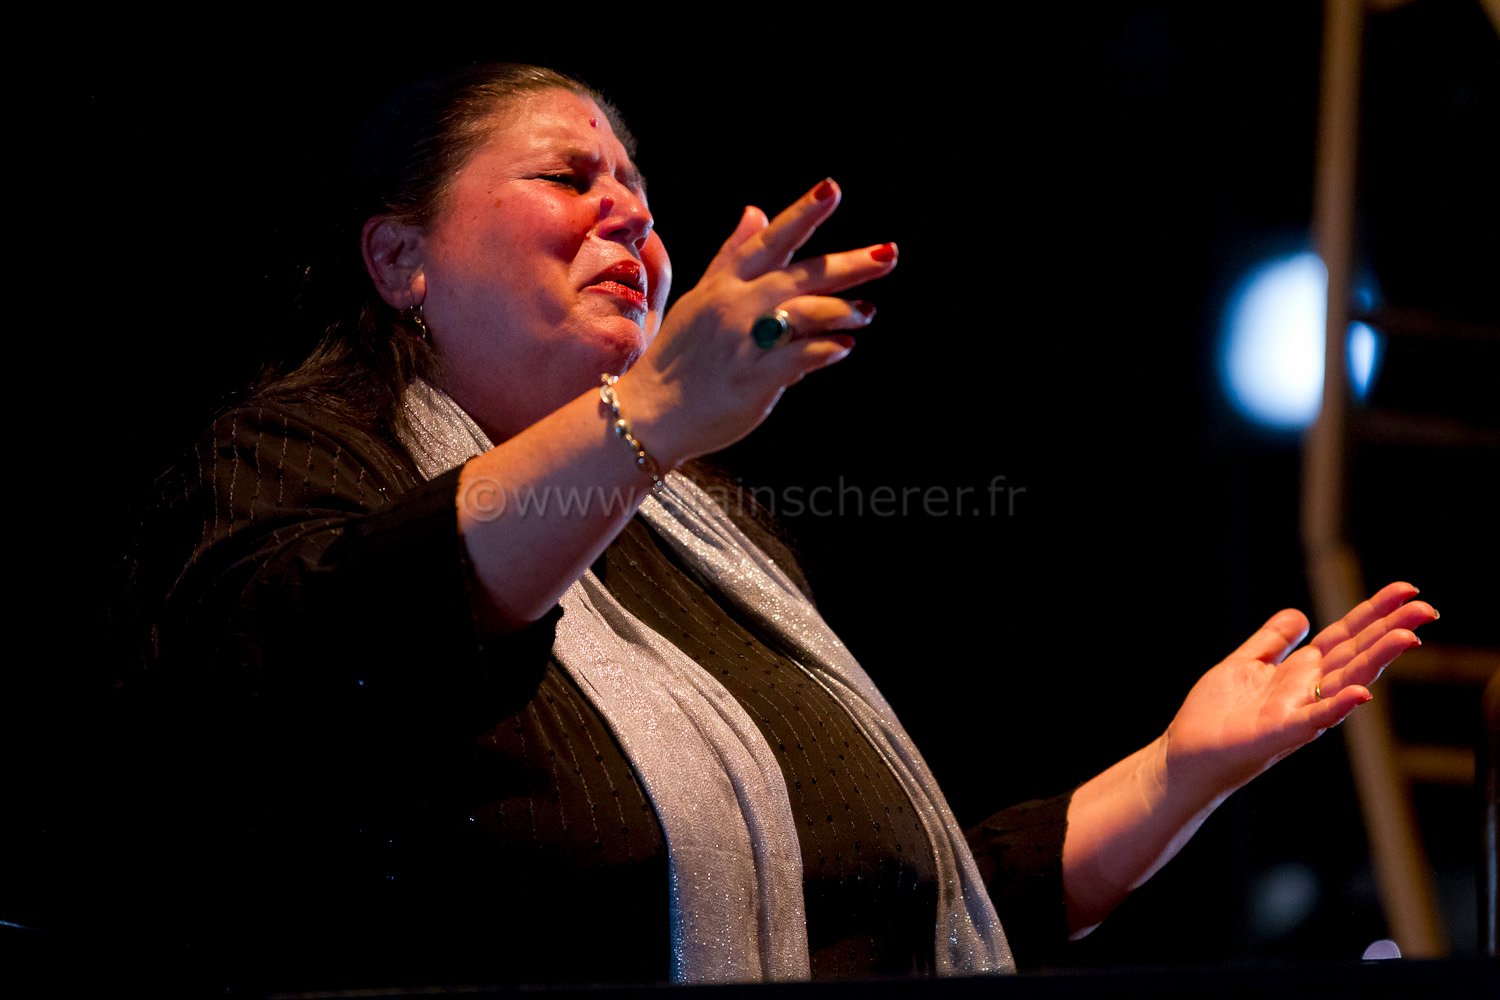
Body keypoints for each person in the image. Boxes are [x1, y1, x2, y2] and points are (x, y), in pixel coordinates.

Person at [121, 63, 1437, 990]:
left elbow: (893, 912)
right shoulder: (298, 452)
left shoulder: (701, 538)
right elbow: (317, 658)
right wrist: (647, 414)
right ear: (400, 259)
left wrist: (1177, 774)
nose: (631, 212)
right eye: (570, 175)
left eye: (641, 191)